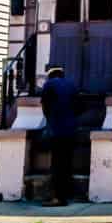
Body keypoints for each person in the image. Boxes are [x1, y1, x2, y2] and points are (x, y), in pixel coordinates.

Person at [40, 65, 77, 206]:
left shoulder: (49, 85)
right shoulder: (71, 85)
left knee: (57, 164)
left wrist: (51, 119)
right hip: (71, 129)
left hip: (56, 129)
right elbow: (78, 106)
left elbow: (45, 107)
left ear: (50, 74)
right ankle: (67, 193)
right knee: (67, 162)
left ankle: (58, 198)